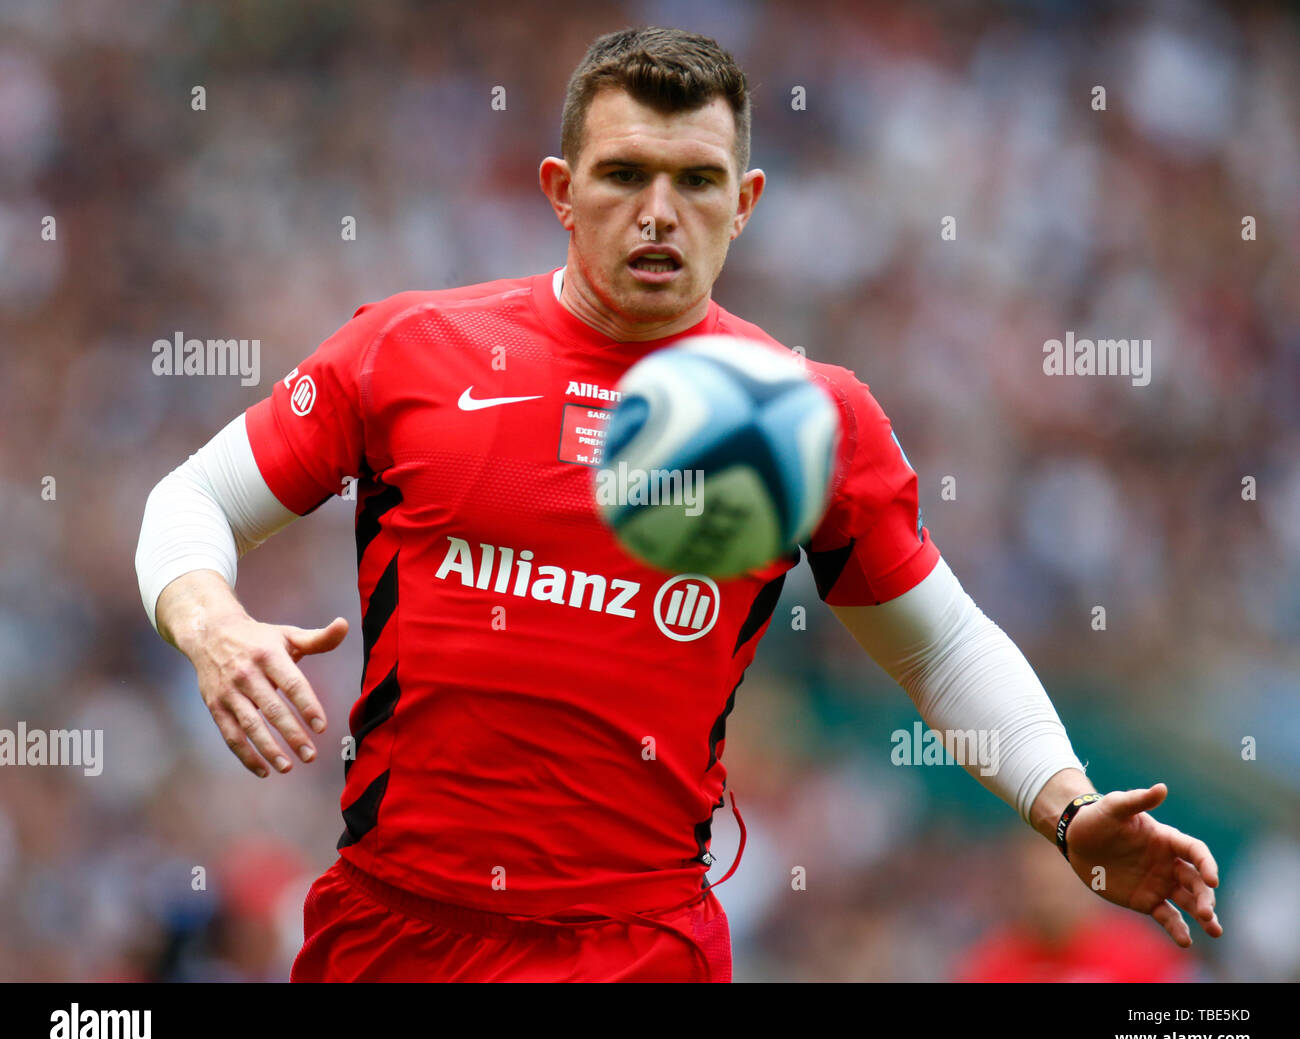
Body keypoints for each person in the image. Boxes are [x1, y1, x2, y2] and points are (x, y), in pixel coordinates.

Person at [135, 26, 1222, 983]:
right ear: (560, 189)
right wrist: (212, 622)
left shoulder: (806, 416)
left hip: (634, 945)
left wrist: (1068, 807)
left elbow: (937, 649)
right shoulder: (410, 348)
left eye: (697, 180)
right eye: (624, 174)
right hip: (393, 929)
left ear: (743, 203)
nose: (659, 213)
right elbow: (194, 500)